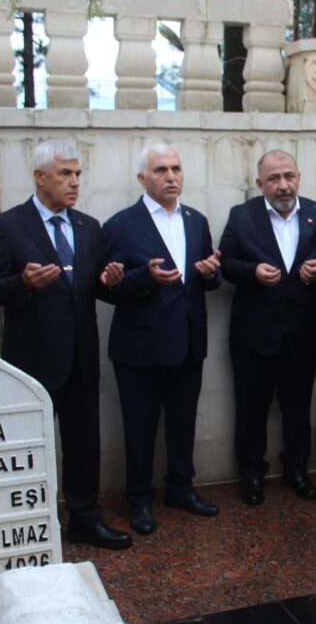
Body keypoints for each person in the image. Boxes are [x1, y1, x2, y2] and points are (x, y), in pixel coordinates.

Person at [0, 141, 131, 550]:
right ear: (40, 177)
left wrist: (111, 283)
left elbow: (95, 289)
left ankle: (85, 517)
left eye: (78, 174)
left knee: (83, 446)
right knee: (30, 448)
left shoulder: (88, 227)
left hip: (80, 358)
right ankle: (32, 523)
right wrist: (22, 283)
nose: (74, 182)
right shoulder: (6, 227)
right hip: (33, 361)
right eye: (65, 174)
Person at [101, 144, 221, 535]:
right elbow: (105, 289)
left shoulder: (196, 221)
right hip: (140, 348)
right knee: (140, 427)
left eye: (176, 168)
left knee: (183, 422)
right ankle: (138, 499)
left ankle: (180, 488)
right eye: (160, 170)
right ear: (142, 179)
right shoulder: (120, 225)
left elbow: (208, 279)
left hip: (188, 341)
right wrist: (143, 278)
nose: (171, 176)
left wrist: (209, 273)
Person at [218, 150, 316, 505]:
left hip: (302, 333)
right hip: (254, 336)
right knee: (251, 409)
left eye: (289, 177)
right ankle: (252, 475)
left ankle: (296, 470)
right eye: (274, 179)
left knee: (297, 409)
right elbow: (225, 264)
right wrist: (251, 273)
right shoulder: (242, 217)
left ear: (298, 176)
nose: (283, 186)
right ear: (259, 183)